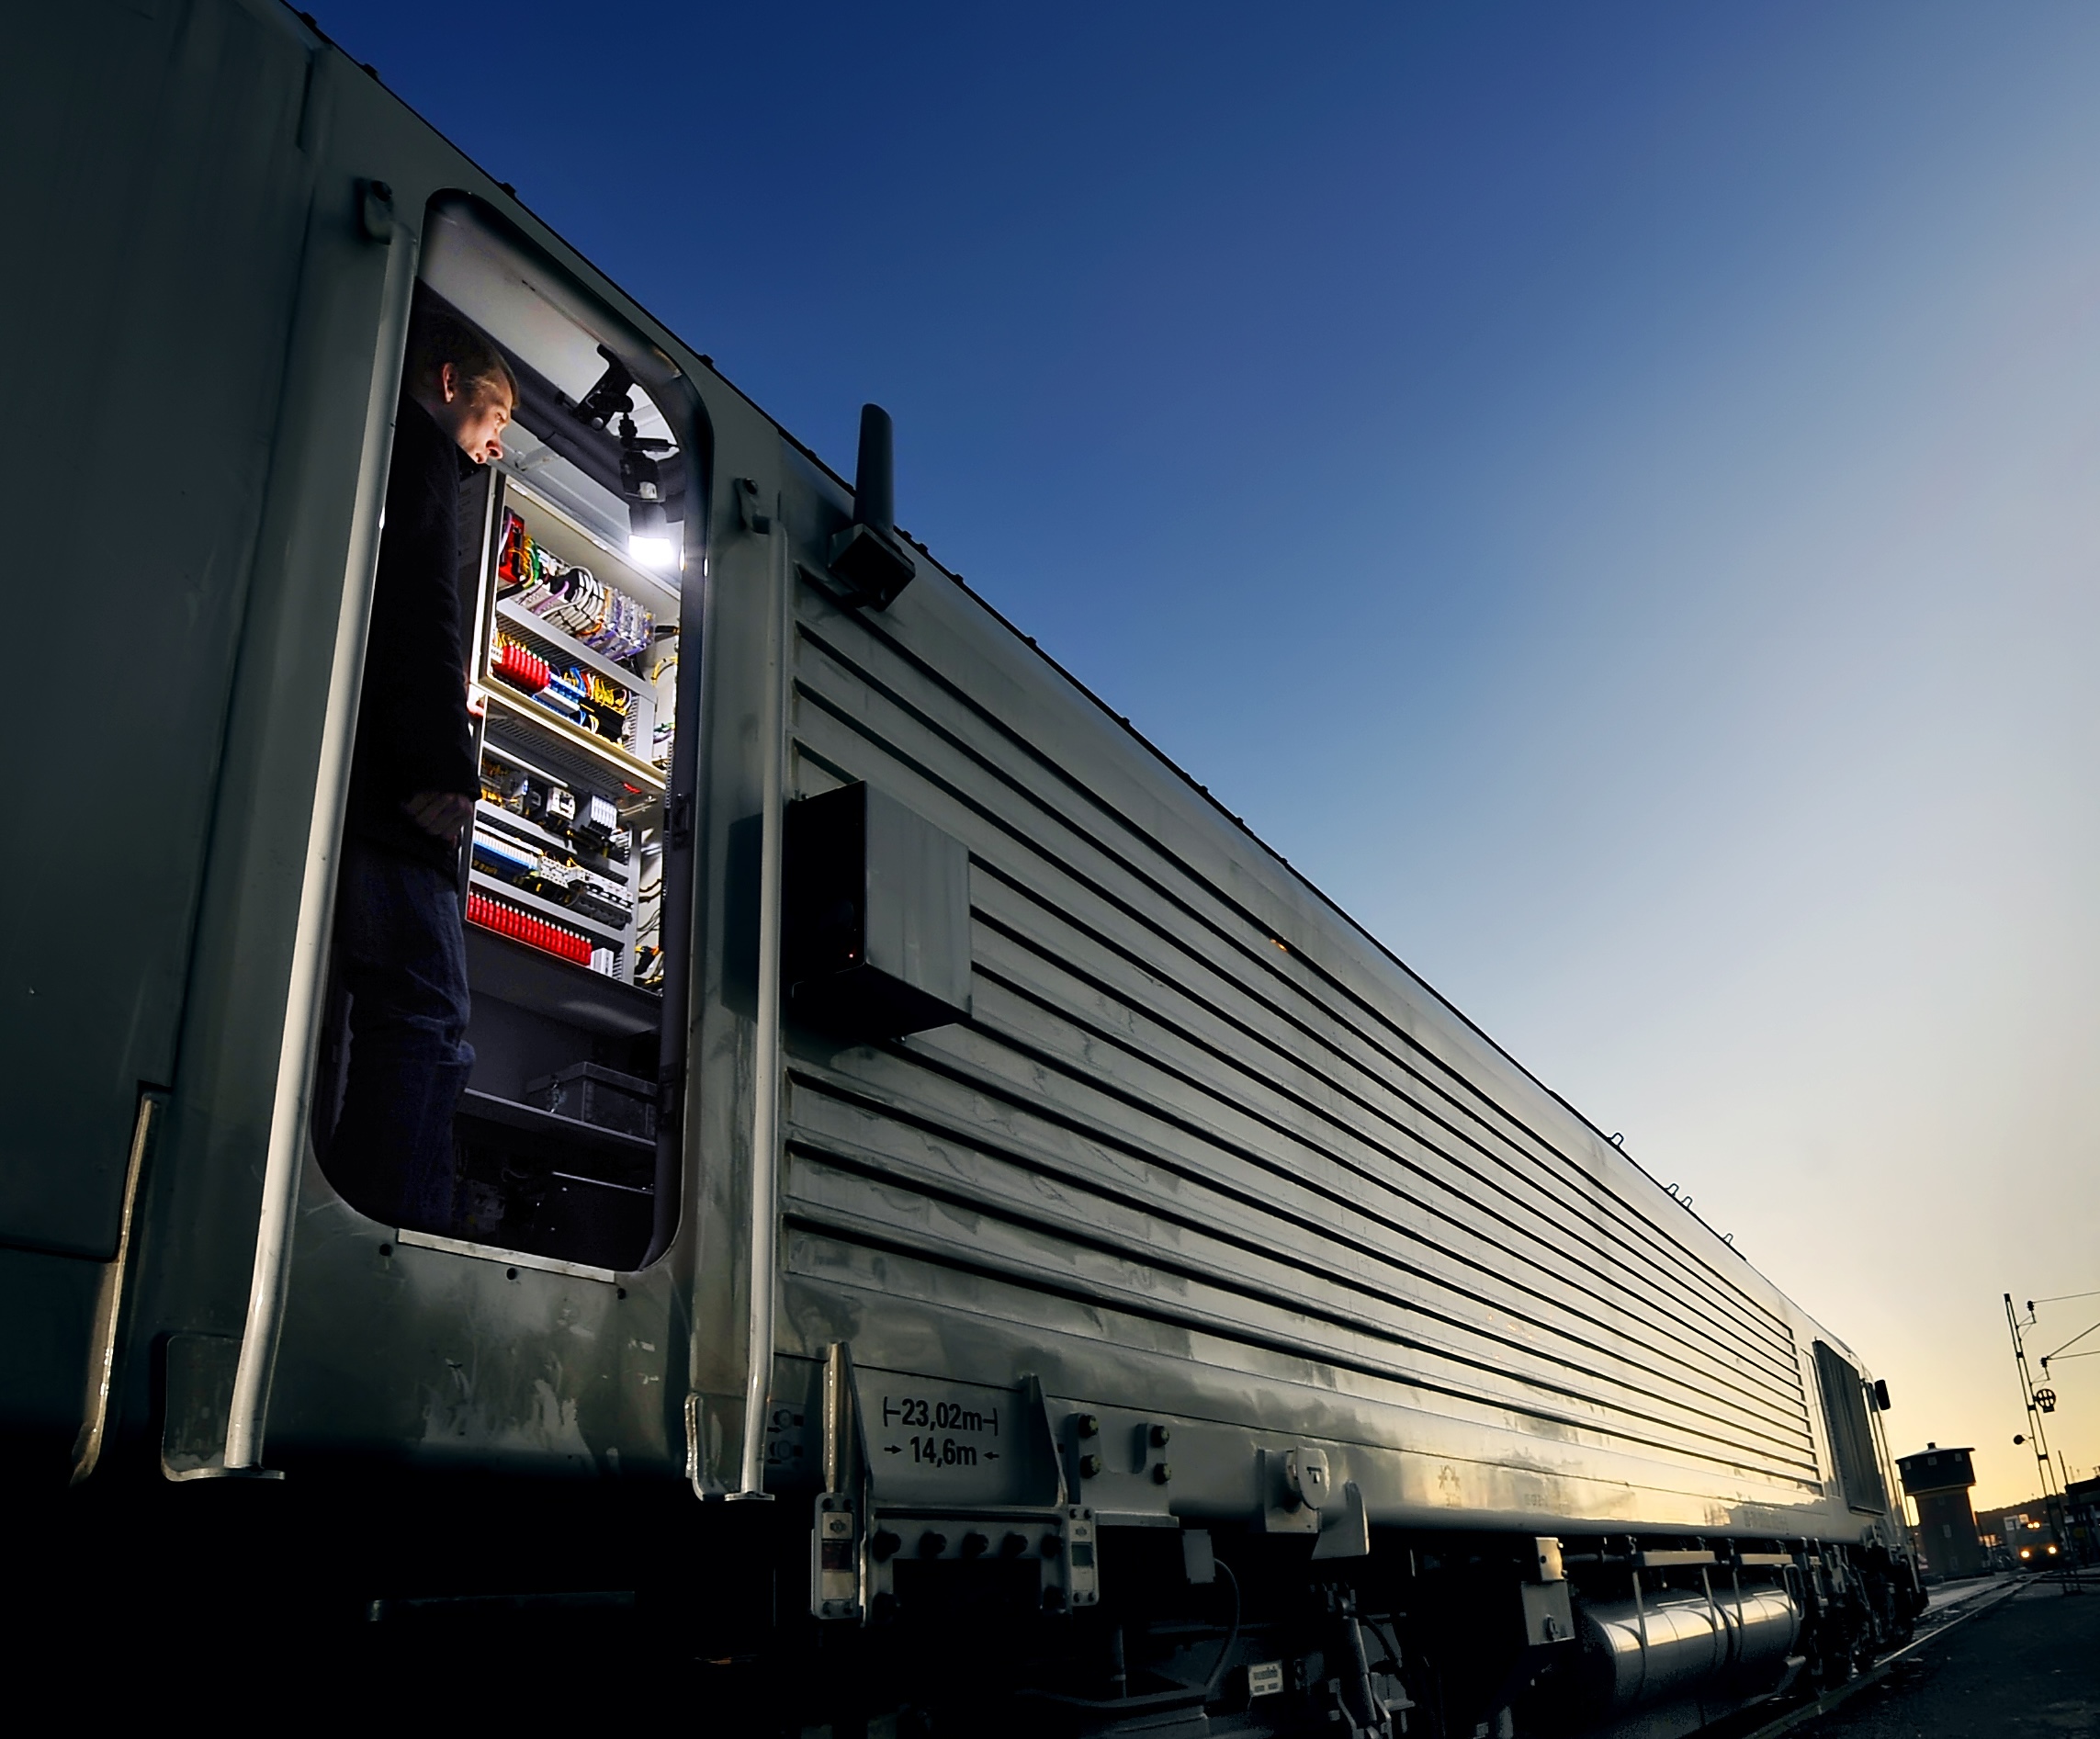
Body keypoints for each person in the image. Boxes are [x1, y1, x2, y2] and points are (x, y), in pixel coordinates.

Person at [327, 310, 514, 1232]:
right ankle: (379, 1242)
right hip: (401, 806)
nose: (497, 441)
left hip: (368, 788)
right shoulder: (425, 454)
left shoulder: (377, 450)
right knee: (427, 1021)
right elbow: (423, 601)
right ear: (447, 384)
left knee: (413, 1025)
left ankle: (397, 1229)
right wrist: (445, 762)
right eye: (496, 415)